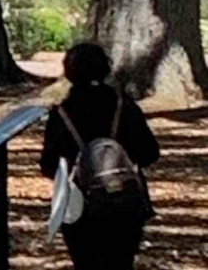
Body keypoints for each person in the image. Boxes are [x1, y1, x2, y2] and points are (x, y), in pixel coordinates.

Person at [40, 42, 159, 270]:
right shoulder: (125, 106)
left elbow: (48, 166)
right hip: (126, 204)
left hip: (79, 206)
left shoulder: (62, 113)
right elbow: (150, 153)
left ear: (69, 71)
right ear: (105, 68)